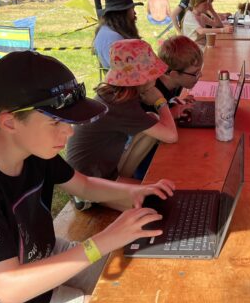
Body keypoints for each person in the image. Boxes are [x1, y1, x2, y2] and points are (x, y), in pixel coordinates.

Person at [0, 50, 190, 303]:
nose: (68, 132)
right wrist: (102, 242)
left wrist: (133, 193)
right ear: (10, 121)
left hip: (40, 257)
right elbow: (7, 288)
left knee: (143, 280)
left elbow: (82, 184)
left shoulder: (31, 147)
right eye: (56, 122)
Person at [67, 39, 179, 194]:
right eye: (152, 74)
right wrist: (160, 101)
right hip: (89, 184)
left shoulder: (116, 96)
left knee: (151, 118)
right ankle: (107, 197)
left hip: (96, 173)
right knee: (156, 198)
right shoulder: (121, 106)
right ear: (140, 79)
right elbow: (171, 136)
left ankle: (126, 181)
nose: (156, 78)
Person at [93, 0, 143, 69]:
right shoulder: (113, 38)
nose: (135, 13)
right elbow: (129, 70)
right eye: (132, 9)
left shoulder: (107, 30)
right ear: (122, 13)